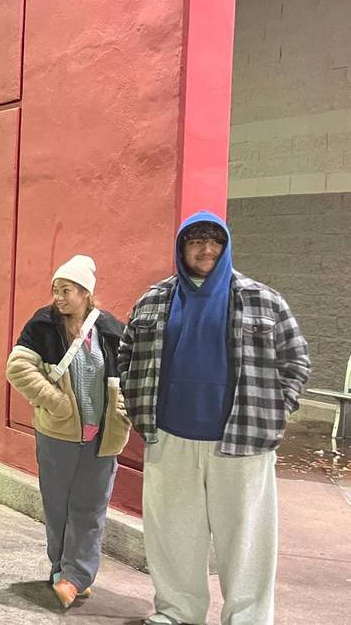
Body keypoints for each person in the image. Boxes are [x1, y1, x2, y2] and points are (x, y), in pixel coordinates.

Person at [118, 212, 310, 625]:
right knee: (173, 534)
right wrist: (137, 409)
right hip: (169, 438)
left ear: (225, 247)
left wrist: (277, 409)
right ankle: (177, 611)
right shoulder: (153, 299)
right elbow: (127, 356)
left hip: (243, 441)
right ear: (181, 248)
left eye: (214, 241)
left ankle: (248, 617)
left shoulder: (264, 299)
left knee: (245, 538)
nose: (206, 249)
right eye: (196, 241)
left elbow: (296, 360)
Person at [5, 255, 130, 608]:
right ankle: (63, 568)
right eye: (55, 290)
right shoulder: (43, 325)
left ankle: (75, 575)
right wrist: (56, 403)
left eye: (66, 290)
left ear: (86, 292)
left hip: (102, 437)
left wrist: (124, 408)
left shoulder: (110, 329)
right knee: (58, 506)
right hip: (57, 435)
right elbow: (18, 368)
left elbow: (132, 375)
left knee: (89, 508)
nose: (58, 297)